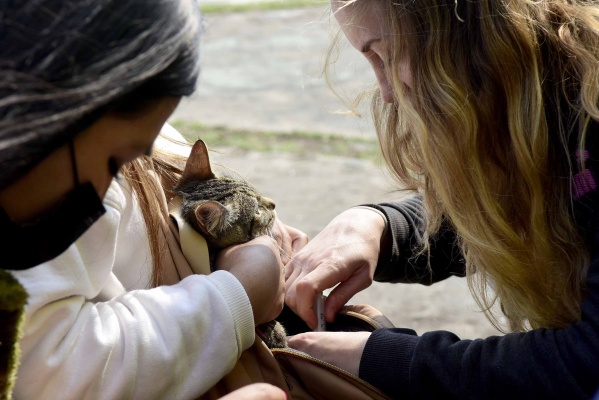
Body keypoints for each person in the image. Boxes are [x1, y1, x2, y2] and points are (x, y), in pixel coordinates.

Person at [285, 0, 599, 398]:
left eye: (387, 55)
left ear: (465, 30)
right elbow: (522, 205)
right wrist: (381, 227)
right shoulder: (548, 92)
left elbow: (589, 359)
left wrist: (389, 359)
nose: (386, 93)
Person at [0, 1, 299, 399]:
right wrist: (235, 297)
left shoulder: (76, 149)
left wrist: (253, 233)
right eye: (116, 161)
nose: (114, 180)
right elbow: (44, 372)